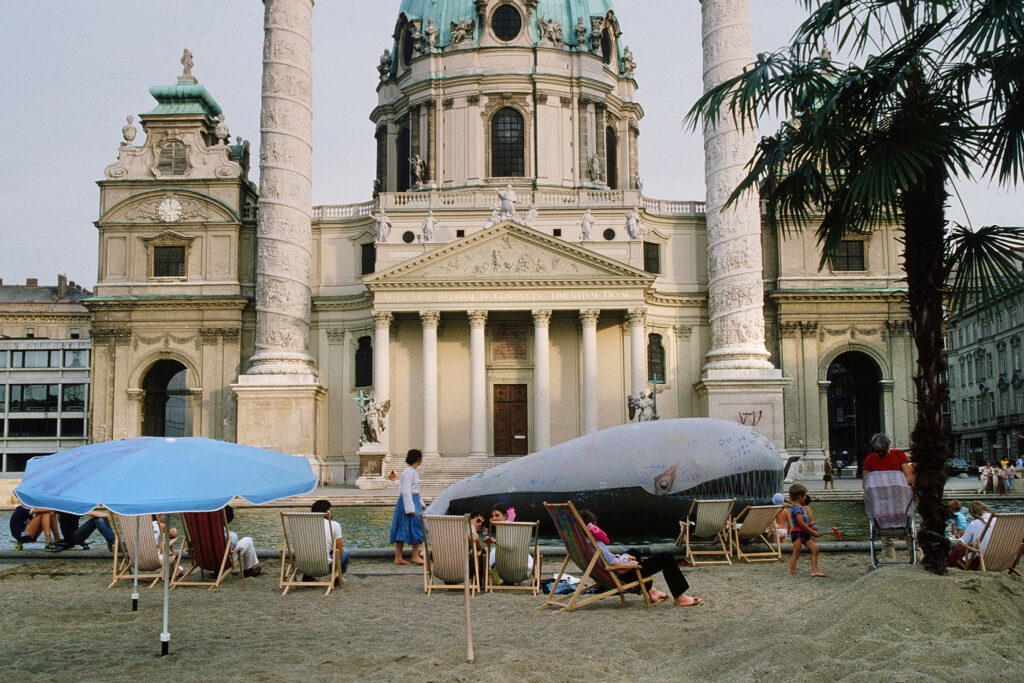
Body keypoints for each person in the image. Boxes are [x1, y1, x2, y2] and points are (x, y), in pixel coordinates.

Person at [586, 513, 702, 607]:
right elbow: (620, 570)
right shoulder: (597, 544)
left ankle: (652, 591)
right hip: (621, 575)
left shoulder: (585, 543)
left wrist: (619, 557)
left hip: (609, 572)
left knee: (633, 552)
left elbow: (606, 560)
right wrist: (632, 563)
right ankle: (680, 598)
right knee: (666, 557)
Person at [390, 449, 425, 565]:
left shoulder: (411, 471)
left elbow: (414, 491)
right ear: (418, 459)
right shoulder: (409, 472)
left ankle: (399, 557)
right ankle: (413, 555)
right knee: (415, 527)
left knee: (405, 528)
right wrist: (410, 509)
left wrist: (421, 504)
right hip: (408, 503)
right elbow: (406, 491)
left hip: (412, 501)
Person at [788, 484, 825, 577]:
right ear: (800, 497)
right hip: (798, 533)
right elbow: (801, 523)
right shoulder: (796, 508)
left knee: (815, 549)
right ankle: (792, 573)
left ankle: (815, 571)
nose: (805, 498)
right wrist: (813, 532)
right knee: (796, 553)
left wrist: (811, 532)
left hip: (804, 532)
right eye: (804, 496)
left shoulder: (798, 506)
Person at [948, 501, 994, 569]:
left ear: (973, 514)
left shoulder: (975, 523)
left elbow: (960, 546)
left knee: (956, 550)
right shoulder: (999, 520)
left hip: (982, 561)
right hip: (1004, 559)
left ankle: (948, 566)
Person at [310, 499, 350, 576]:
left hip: (303, 566)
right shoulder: (334, 525)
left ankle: (308, 576)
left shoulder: (301, 524)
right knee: (346, 554)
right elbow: (340, 553)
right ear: (327, 511)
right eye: (331, 510)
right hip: (325, 567)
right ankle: (338, 578)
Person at [224, 505, 262, 577]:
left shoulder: (201, 531)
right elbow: (232, 546)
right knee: (248, 540)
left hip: (205, 561)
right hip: (223, 561)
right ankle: (248, 570)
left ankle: (216, 572)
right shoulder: (230, 535)